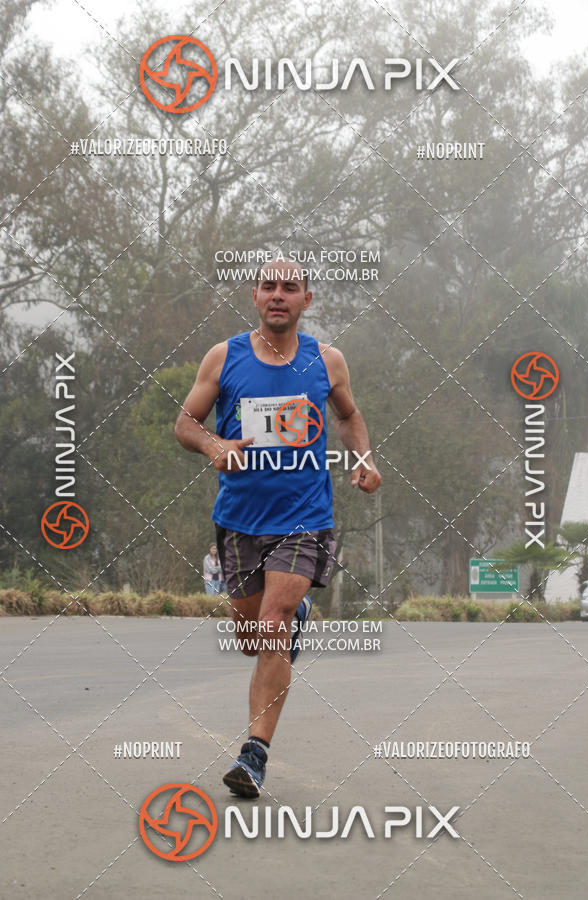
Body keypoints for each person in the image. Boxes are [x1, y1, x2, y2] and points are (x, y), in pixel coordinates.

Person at [174, 259, 381, 797]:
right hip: (240, 519)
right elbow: (185, 424)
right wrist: (217, 446)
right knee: (251, 638)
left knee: (273, 622)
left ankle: (253, 754)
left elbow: (348, 414)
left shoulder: (326, 359)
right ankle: (294, 615)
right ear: (255, 295)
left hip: (305, 516)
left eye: (291, 288)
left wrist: (363, 457)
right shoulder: (225, 357)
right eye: (269, 286)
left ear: (306, 300)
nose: (279, 295)